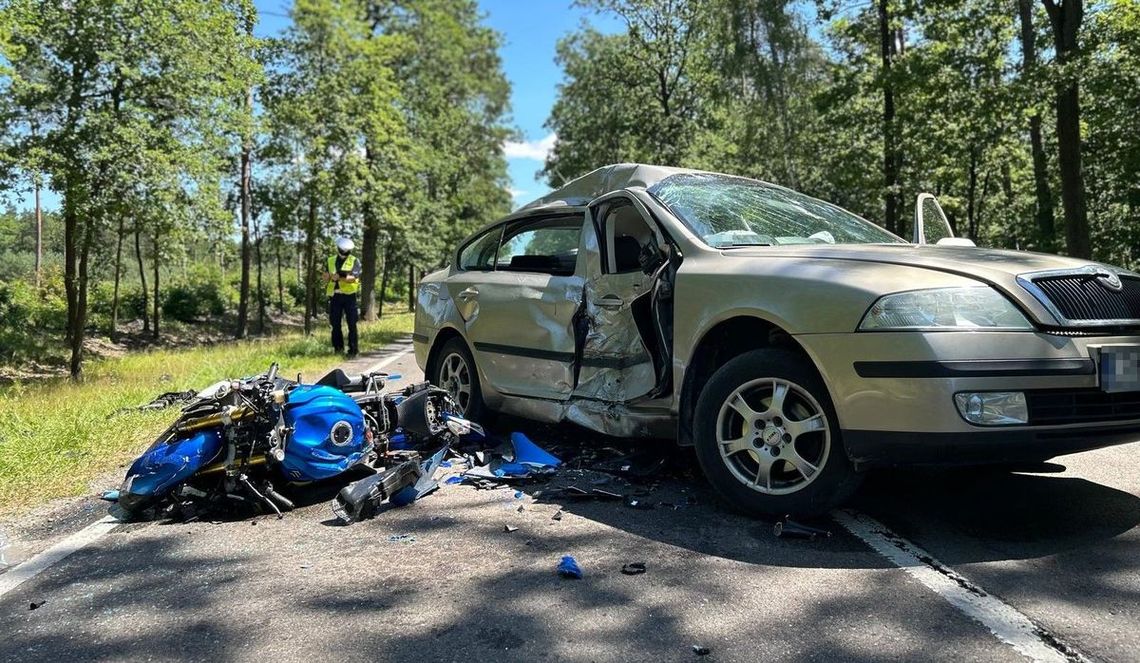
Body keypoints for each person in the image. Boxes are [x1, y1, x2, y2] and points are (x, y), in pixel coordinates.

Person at [325, 236, 361, 357]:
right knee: (335, 324)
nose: (344, 253)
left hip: (349, 297)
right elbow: (324, 276)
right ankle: (338, 349)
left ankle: (353, 350)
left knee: (352, 324)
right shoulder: (330, 260)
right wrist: (329, 276)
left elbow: (353, 278)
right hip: (335, 296)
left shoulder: (355, 261)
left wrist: (339, 277)